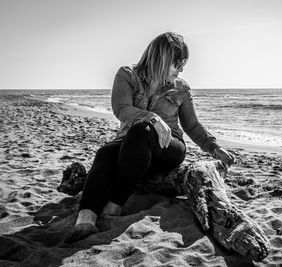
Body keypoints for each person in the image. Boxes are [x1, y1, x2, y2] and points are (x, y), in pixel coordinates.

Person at [65, 32, 235, 243]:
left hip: (168, 149)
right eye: (179, 63)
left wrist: (215, 148)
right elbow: (121, 109)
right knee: (106, 152)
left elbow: (191, 125)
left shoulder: (181, 89)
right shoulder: (127, 75)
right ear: (163, 58)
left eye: (184, 64)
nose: (182, 69)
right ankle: (86, 219)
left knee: (141, 131)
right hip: (129, 148)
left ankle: (114, 205)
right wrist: (152, 118)